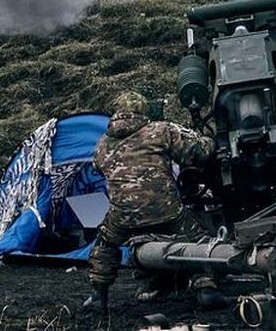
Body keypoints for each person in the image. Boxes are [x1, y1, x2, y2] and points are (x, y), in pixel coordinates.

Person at [83, 91, 222, 312]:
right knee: (196, 237)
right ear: (143, 110)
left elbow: (97, 168)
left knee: (105, 245)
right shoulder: (161, 130)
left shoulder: (102, 144)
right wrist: (210, 140)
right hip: (164, 209)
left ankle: (98, 295)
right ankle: (206, 288)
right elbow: (197, 153)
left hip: (123, 214)